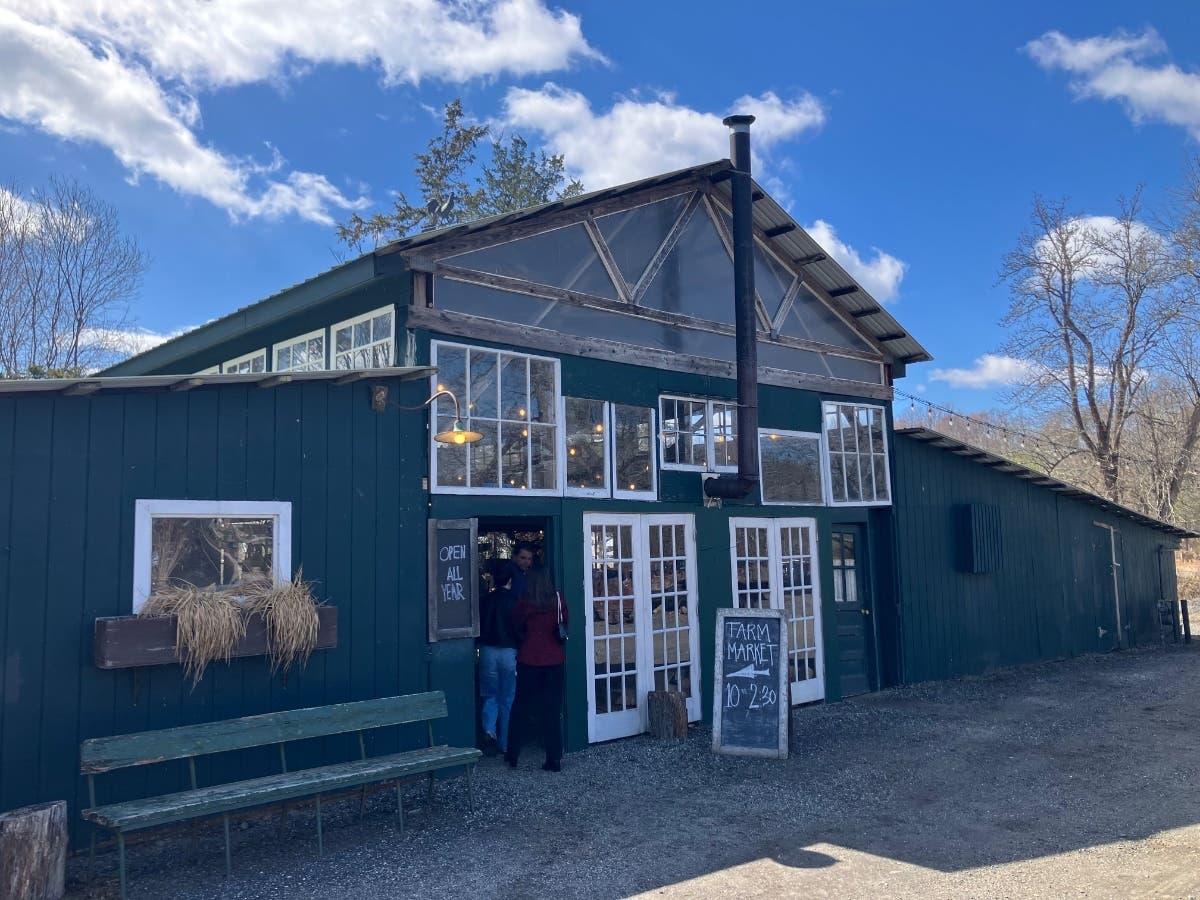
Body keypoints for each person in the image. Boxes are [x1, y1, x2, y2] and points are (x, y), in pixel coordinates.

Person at [505, 566, 568, 772]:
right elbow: (565, 622)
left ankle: (513, 754)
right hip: (554, 660)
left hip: (529, 659)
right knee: (552, 710)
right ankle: (554, 758)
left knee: (520, 707)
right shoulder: (557, 600)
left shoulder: (524, 603)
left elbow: (515, 625)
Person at [478, 561, 521, 756]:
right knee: (508, 697)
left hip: (487, 650)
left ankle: (489, 728)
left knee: (489, 693)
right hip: (508, 651)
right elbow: (519, 628)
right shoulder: (515, 601)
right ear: (510, 579)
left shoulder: (485, 600)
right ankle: (505, 743)